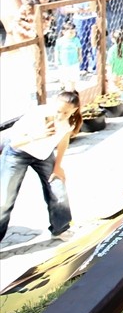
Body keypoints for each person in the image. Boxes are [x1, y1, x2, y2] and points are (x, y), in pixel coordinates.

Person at [0, 89, 82, 242]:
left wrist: (58, 166)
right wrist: (38, 135)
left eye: (66, 113)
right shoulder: (37, 114)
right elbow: (14, 142)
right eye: (59, 111)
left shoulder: (70, 121)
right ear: (53, 104)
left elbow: (64, 141)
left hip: (43, 155)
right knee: (4, 199)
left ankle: (61, 228)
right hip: (18, 153)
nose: (61, 116)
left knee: (57, 187)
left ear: (74, 110)